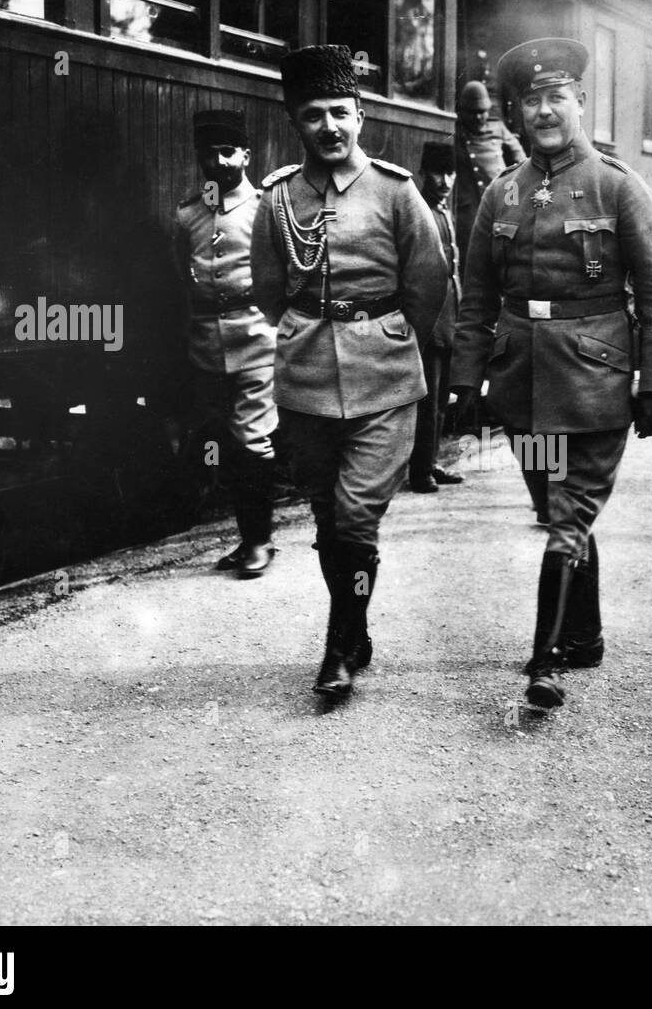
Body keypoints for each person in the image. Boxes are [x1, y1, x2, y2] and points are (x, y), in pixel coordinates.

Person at [449, 37, 652, 708]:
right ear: (518, 113)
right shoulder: (503, 194)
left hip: (594, 384)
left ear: (580, 103)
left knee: (567, 519)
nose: (545, 111)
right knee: (558, 510)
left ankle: (545, 661)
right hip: (524, 386)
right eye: (532, 101)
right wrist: (466, 380)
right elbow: (477, 297)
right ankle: (584, 636)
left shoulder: (618, 187)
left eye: (558, 97)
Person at [252, 44, 447, 697]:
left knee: (356, 514)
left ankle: (338, 647)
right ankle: (355, 628)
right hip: (306, 378)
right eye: (313, 115)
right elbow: (267, 286)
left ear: (361, 114)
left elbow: (427, 283)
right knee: (327, 517)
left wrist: (383, 335)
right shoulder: (279, 198)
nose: (329, 127)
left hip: (385, 382)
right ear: (295, 123)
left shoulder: (395, 193)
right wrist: (313, 328)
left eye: (340, 112)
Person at [174, 109, 277, 578]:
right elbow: (182, 275)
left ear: (245, 155)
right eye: (207, 152)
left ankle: (258, 542)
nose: (217, 162)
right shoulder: (189, 214)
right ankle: (248, 537)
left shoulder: (264, 208)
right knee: (221, 437)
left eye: (227, 151)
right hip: (206, 344)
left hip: (257, 338)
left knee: (251, 440)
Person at [408, 141, 466, 493]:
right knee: (427, 401)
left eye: (450, 173)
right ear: (423, 174)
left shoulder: (445, 212)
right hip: (428, 322)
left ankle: (430, 461)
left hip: (448, 319)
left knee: (442, 398)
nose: (444, 180)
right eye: (436, 173)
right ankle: (419, 471)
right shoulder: (419, 211)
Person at [452, 80, 526, 275]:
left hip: (499, 201)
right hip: (469, 205)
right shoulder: (456, 131)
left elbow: (520, 159)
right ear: (462, 111)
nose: (478, 117)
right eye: (472, 112)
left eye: (482, 111)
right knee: (471, 258)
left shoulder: (498, 128)